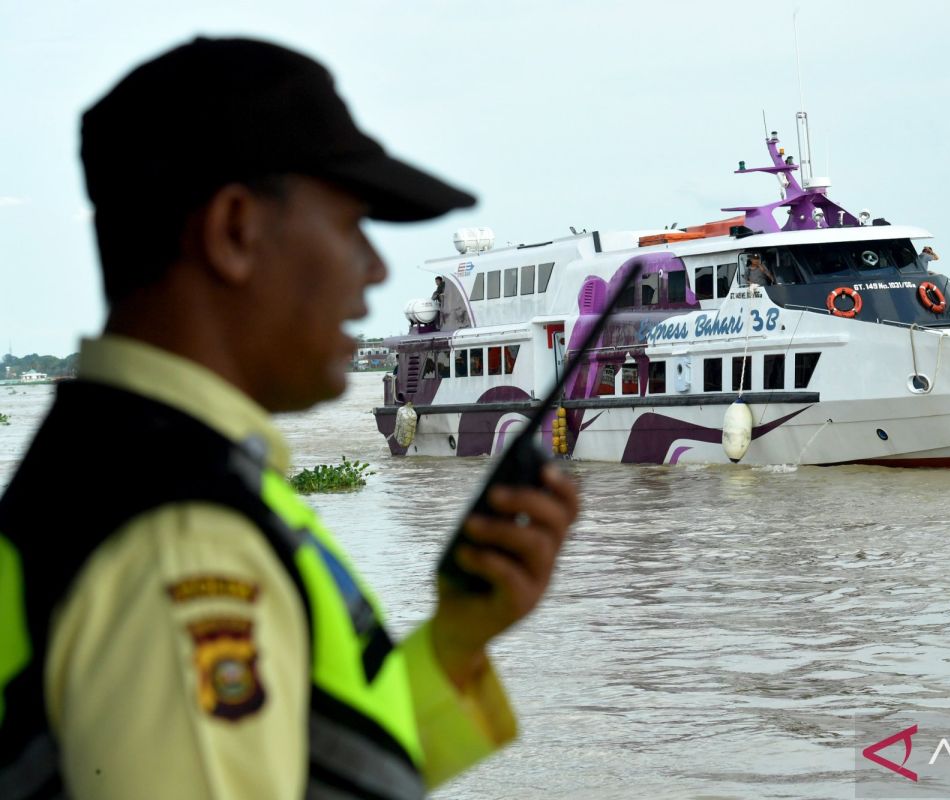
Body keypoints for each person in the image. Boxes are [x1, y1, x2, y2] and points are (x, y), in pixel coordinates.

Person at [0, 37, 579, 800]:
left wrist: (455, 642)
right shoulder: (185, 541)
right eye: (351, 225)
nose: (375, 269)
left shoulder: (119, 467)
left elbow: (309, 765)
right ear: (235, 230)